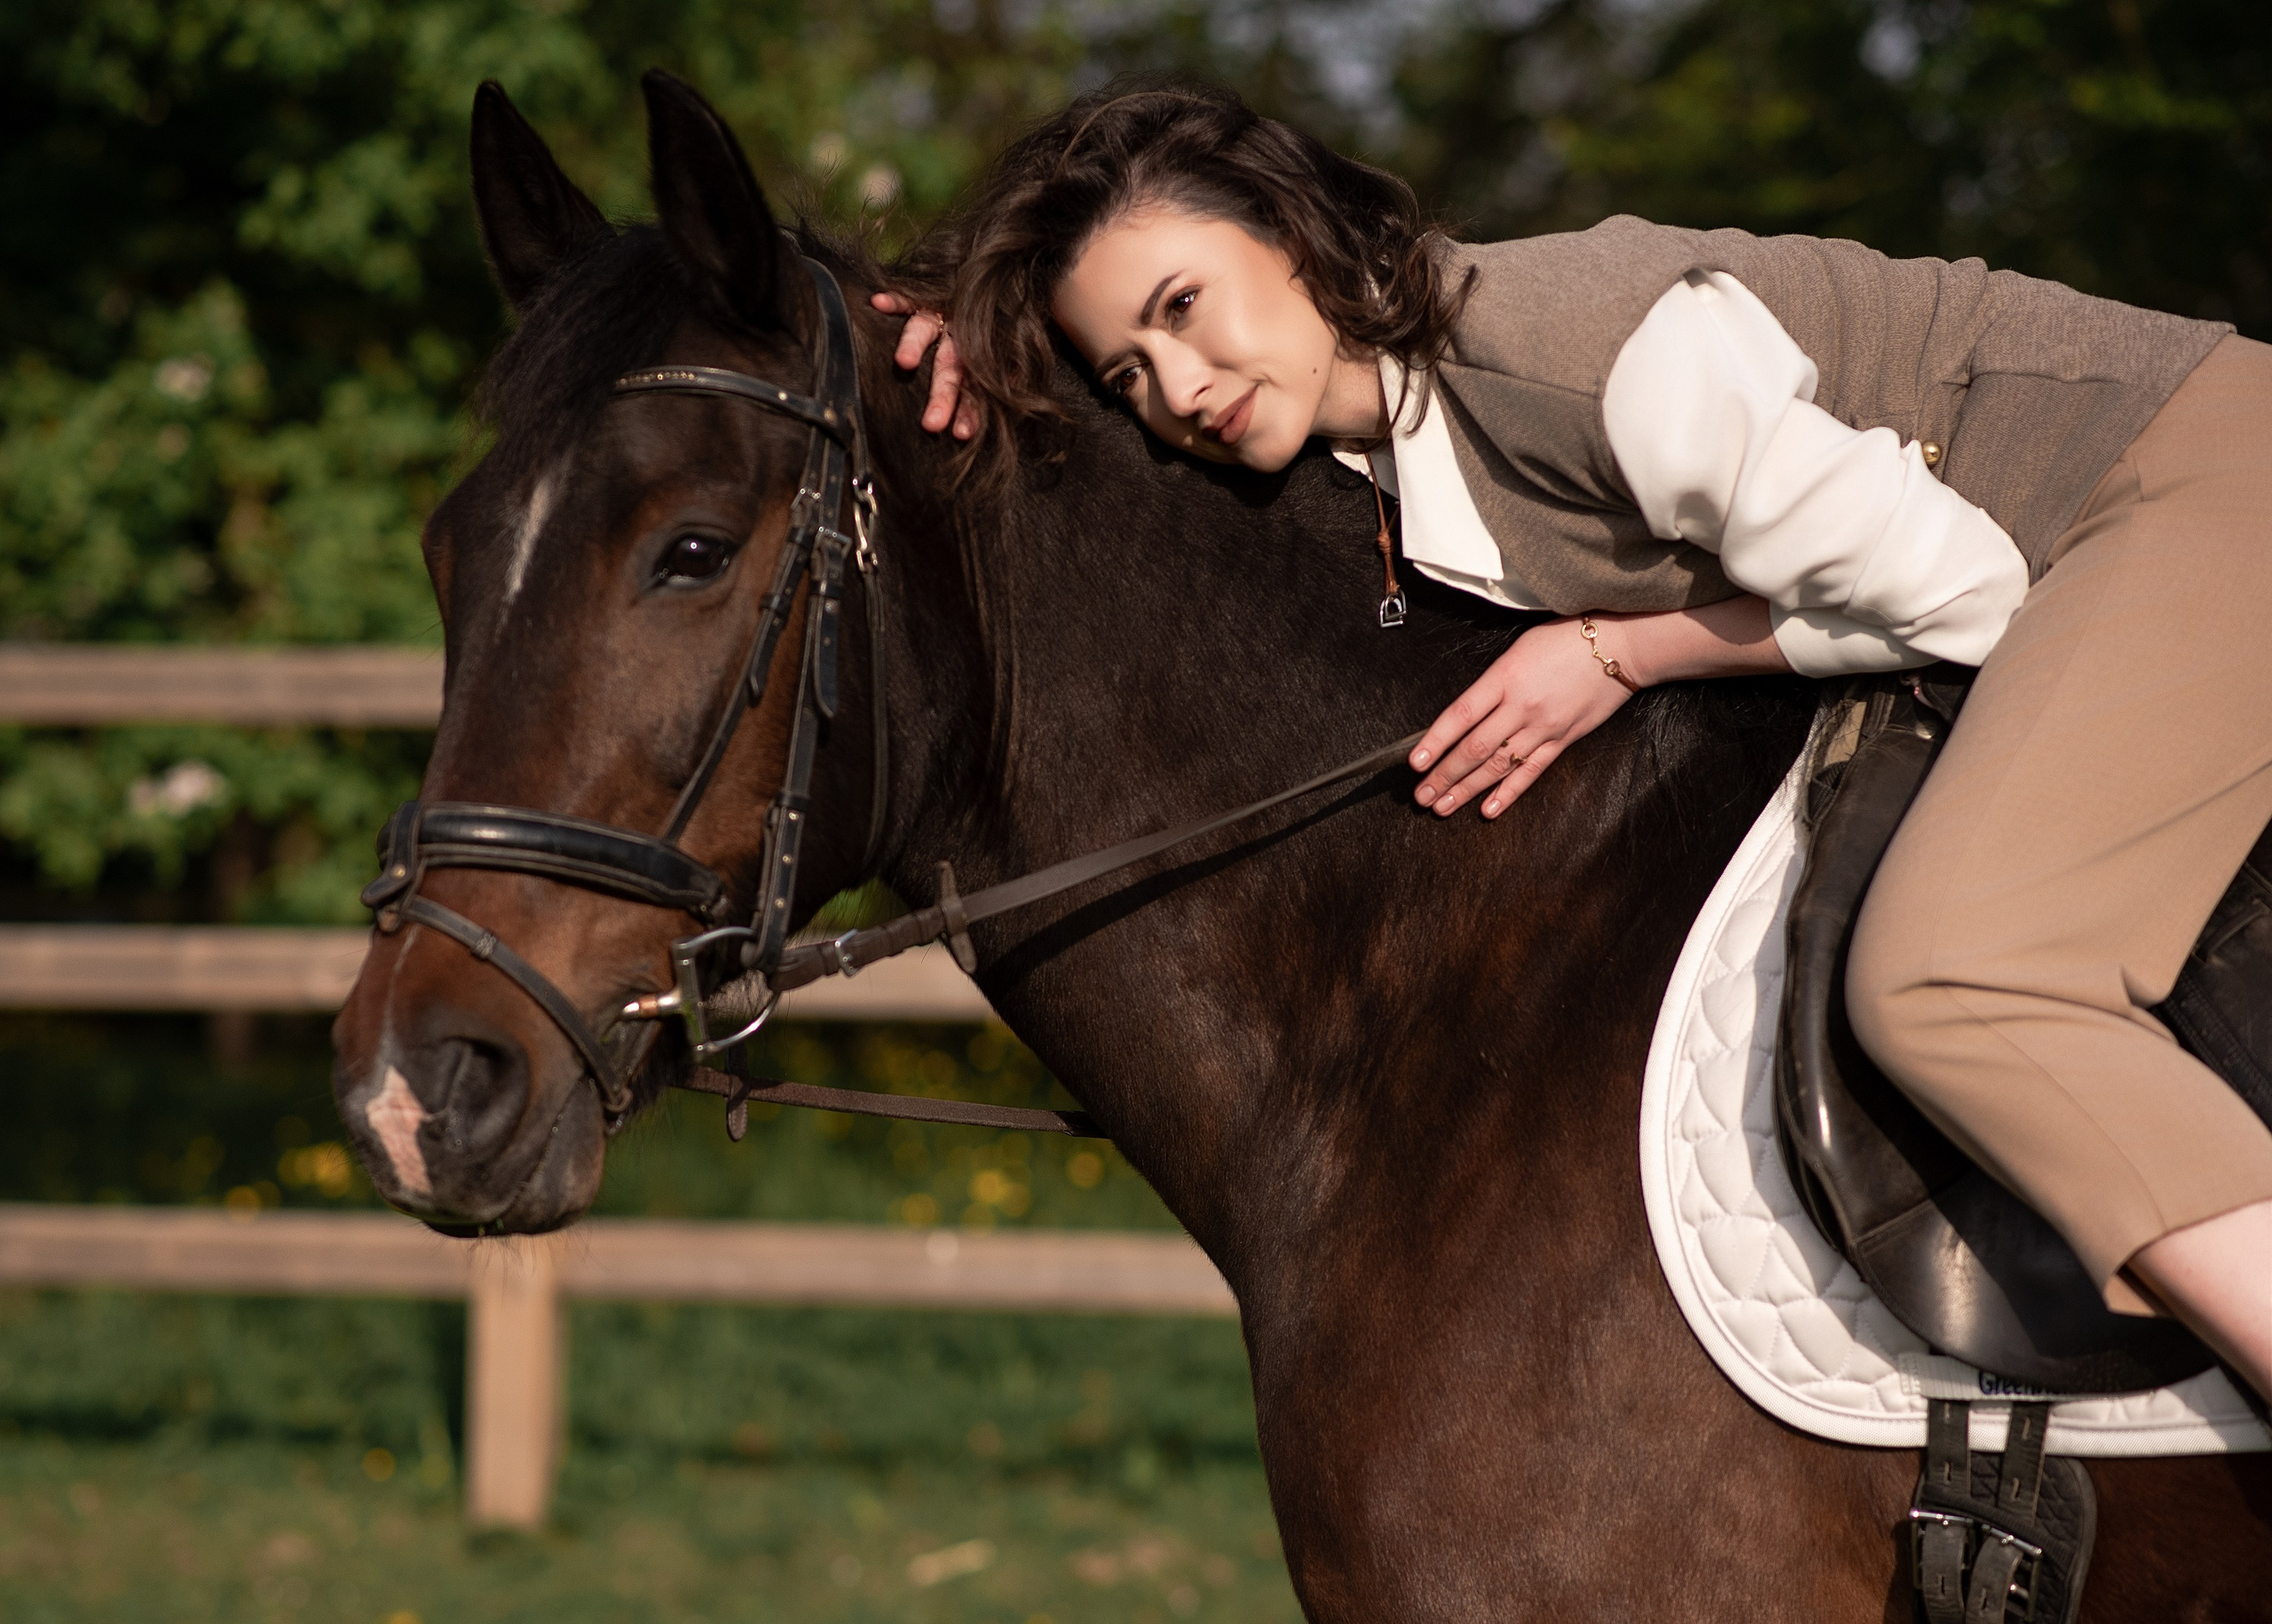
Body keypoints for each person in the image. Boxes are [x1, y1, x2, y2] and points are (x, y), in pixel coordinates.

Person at [872, 84, 2272, 1405]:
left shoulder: (1585, 360)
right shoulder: (1371, 432)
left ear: (1291, 233)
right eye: (1127, 369)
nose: (1177, 384)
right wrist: (963, 346)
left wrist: (1619, 651)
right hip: (2095, 518)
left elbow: (1964, 592)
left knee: (1952, 976)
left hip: (2182, 482)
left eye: (1185, 305)